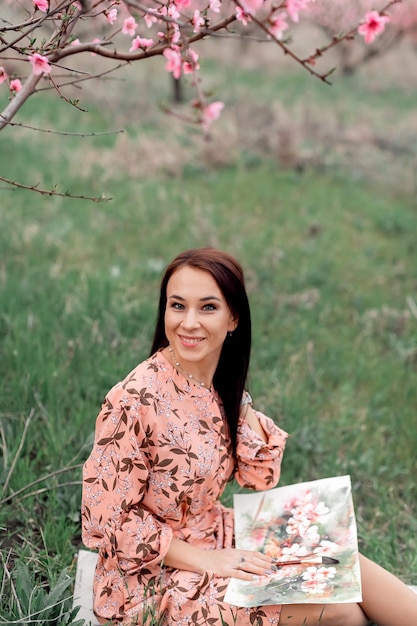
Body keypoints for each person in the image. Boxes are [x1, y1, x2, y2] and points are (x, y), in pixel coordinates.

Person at [81, 247, 417, 626]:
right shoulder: (132, 399)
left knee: (343, 560)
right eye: (178, 306)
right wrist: (210, 561)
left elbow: (260, 477)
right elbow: (105, 524)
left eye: (208, 307)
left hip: (217, 534)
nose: (189, 322)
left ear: (234, 318)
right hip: (152, 578)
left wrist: (238, 403)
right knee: (341, 613)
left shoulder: (213, 386)